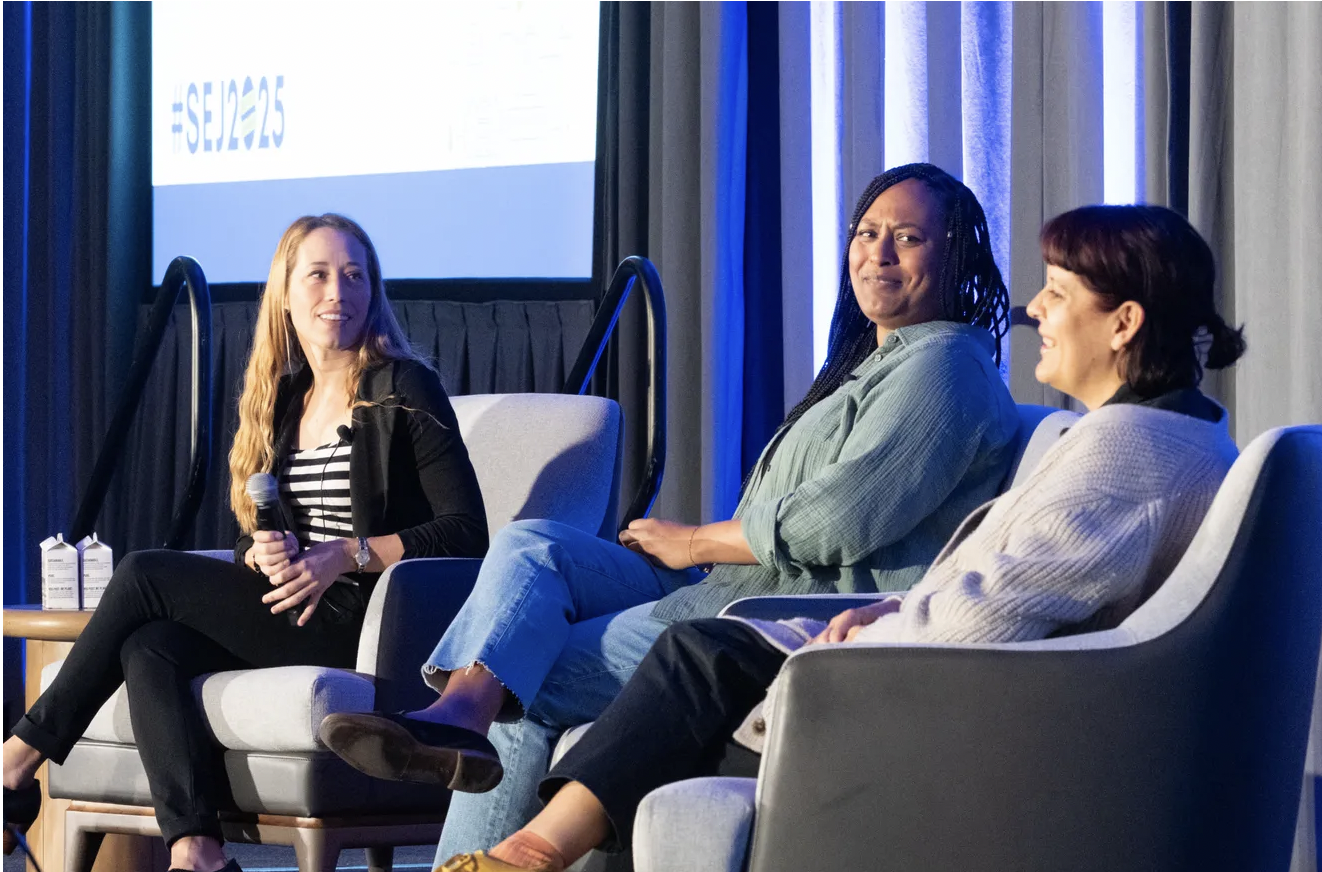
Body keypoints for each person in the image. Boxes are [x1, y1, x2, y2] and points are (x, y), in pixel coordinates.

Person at [433, 202, 1248, 872]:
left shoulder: (1116, 447)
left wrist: (853, 619)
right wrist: (886, 613)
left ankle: (511, 844)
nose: (1035, 309)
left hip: (908, 684)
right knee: (535, 559)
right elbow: (1010, 584)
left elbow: (976, 604)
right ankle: (465, 728)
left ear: (1124, 323)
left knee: (553, 666)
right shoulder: (1148, 436)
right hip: (866, 639)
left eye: (1059, 294)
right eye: (867, 231)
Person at [318, 163, 1021, 857]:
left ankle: (467, 758)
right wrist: (690, 551)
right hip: (726, 585)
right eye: (867, 233)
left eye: (908, 238)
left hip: (778, 612)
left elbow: (837, 520)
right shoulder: (874, 365)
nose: (879, 253)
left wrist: (693, 542)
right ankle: (458, 713)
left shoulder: (946, 366)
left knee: (524, 672)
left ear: (955, 255)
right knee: (534, 545)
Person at [0, 214, 489, 872]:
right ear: (285, 294)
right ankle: (196, 851)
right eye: (318, 275)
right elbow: (258, 534)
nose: (337, 292)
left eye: (354, 275)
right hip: (289, 609)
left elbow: (467, 533)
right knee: (151, 646)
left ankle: (16, 760)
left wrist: (349, 552)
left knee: (144, 573)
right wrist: (254, 554)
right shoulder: (286, 399)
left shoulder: (402, 387)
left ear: (373, 291)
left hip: (365, 621)